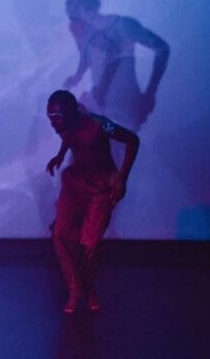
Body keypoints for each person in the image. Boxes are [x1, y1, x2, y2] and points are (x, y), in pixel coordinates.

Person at [44, 89, 139, 313]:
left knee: (90, 244)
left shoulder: (99, 125)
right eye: (50, 117)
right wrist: (60, 156)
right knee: (60, 235)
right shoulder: (63, 126)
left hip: (101, 186)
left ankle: (87, 285)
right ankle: (74, 288)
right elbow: (69, 138)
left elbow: (133, 140)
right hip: (76, 182)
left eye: (57, 117)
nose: (53, 123)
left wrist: (122, 178)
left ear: (72, 113)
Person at [62, 0, 169, 131]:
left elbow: (162, 49)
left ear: (81, 5)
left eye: (72, 3)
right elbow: (86, 57)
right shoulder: (85, 33)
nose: (68, 8)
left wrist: (151, 92)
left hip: (123, 105)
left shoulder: (124, 25)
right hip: (100, 105)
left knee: (118, 141)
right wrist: (76, 77)